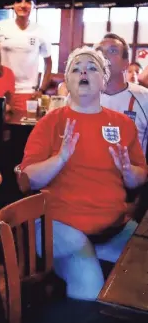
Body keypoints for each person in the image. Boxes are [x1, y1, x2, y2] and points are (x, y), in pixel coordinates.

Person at [20, 47, 147, 301]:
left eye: (91, 67)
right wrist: (60, 159)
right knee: (90, 286)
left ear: (104, 79)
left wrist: (128, 172)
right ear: (68, 81)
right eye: (76, 69)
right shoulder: (51, 122)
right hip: (57, 228)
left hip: (113, 228)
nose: (83, 72)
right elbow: (27, 180)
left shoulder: (123, 124)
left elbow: (140, 176)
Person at [0, 0, 53, 111]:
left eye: (27, 2)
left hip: (27, 92)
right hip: (0, 89)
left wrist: (41, 90)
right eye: (18, 1)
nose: (23, 5)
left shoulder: (41, 30)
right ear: (13, 5)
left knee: (21, 127)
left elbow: (48, 63)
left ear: (33, 6)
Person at [97, 34, 148, 156]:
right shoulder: (79, 96)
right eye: (99, 52)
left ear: (126, 63)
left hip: (132, 173)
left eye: (113, 51)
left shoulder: (144, 98)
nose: (103, 56)